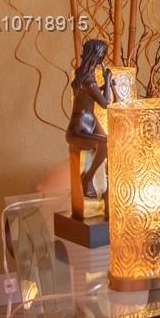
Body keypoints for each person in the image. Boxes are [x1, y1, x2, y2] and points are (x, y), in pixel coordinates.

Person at [65, 38, 112, 202]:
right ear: (98, 57)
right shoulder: (88, 81)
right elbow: (106, 103)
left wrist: (103, 86)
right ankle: (88, 177)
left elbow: (90, 95)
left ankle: (110, 187)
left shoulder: (82, 74)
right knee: (106, 143)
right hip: (78, 130)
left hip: (90, 123)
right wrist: (107, 81)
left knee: (113, 143)